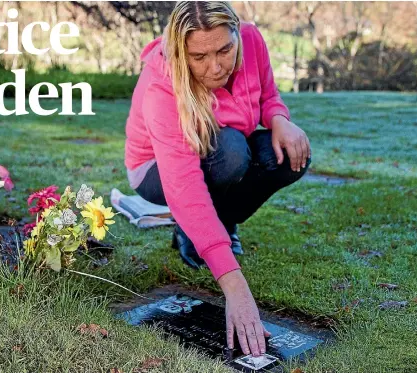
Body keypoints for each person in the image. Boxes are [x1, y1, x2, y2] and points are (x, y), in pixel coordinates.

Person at [124, 1, 311, 357]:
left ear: (238, 36)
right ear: (182, 53)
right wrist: (235, 287)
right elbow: (184, 186)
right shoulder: (161, 86)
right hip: (155, 170)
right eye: (199, 57)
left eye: (225, 49)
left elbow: (269, 95)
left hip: (223, 148)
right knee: (232, 151)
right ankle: (190, 229)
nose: (216, 66)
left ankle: (221, 224)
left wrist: (280, 120)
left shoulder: (253, 41)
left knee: (288, 156)